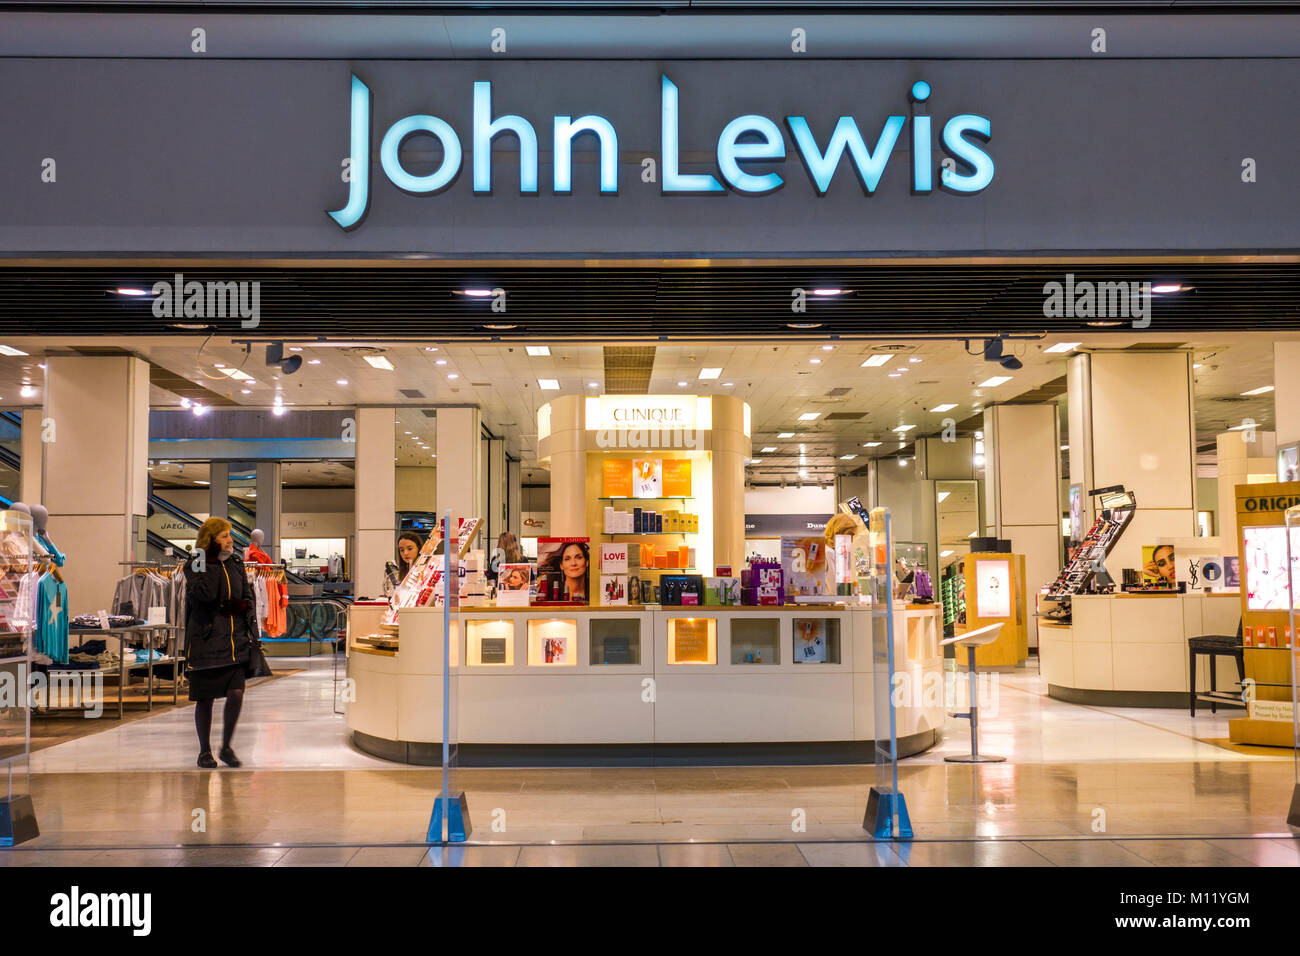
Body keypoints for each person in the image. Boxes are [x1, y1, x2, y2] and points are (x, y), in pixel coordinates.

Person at [184, 517, 260, 769]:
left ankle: (226, 746)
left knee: (236, 693)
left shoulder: (236, 562)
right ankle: (204, 751)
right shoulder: (197, 561)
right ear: (212, 539)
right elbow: (202, 594)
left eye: (230, 536)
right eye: (225, 536)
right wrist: (212, 562)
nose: (230, 540)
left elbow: (246, 596)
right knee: (205, 698)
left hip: (235, 639)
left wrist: (247, 616)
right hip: (206, 640)